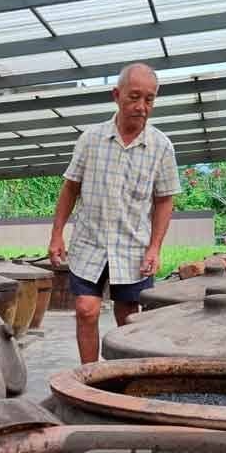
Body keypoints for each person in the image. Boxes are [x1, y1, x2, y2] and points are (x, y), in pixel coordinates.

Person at [48, 62, 181, 364]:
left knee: (128, 317)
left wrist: (155, 247)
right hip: (90, 243)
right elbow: (70, 188)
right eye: (134, 97)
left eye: (149, 99)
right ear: (116, 95)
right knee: (86, 309)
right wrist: (56, 235)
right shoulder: (90, 139)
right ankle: (89, 375)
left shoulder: (161, 147)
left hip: (132, 247)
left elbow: (164, 200)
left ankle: (123, 375)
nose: (142, 106)